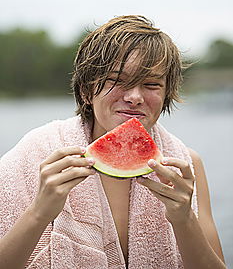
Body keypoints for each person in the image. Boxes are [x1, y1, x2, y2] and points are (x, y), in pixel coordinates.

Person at [0, 15, 226, 269]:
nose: (134, 97)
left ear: (166, 93)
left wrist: (184, 220)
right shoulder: (34, 154)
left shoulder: (186, 164)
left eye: (151, 84)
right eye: (118, 81)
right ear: (86, 90)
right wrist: (38, 213)